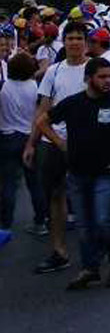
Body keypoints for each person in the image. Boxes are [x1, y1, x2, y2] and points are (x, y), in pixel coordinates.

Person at [32, 56, 110, 290]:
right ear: (88, 79)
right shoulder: (73, 103)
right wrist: (60, 143)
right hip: (77, 173)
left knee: (104, 220)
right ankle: (90, 268)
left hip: (106, 172)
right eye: (102, 77)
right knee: (84, 225)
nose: (107, 81)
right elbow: (42, 121)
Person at [24, 21, 90, 273]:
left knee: (87, 196)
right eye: (70, 38)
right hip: (51, 141)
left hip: (84, 143)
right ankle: (59, 250)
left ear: (85, 41)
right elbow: (43, 109)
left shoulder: (95, 69)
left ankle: (93, 250)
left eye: (79, 38)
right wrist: (31, 143)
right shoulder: (54, 70)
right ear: (64, 41)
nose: (74, 42)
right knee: (55, 195)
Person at [1, 52, 45, 235]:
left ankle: (5, 224)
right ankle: (40, 221)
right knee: (35, 183)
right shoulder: (35, 87)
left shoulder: (3, 88)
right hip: (31, 137)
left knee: (8, 184)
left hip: (8, 137)